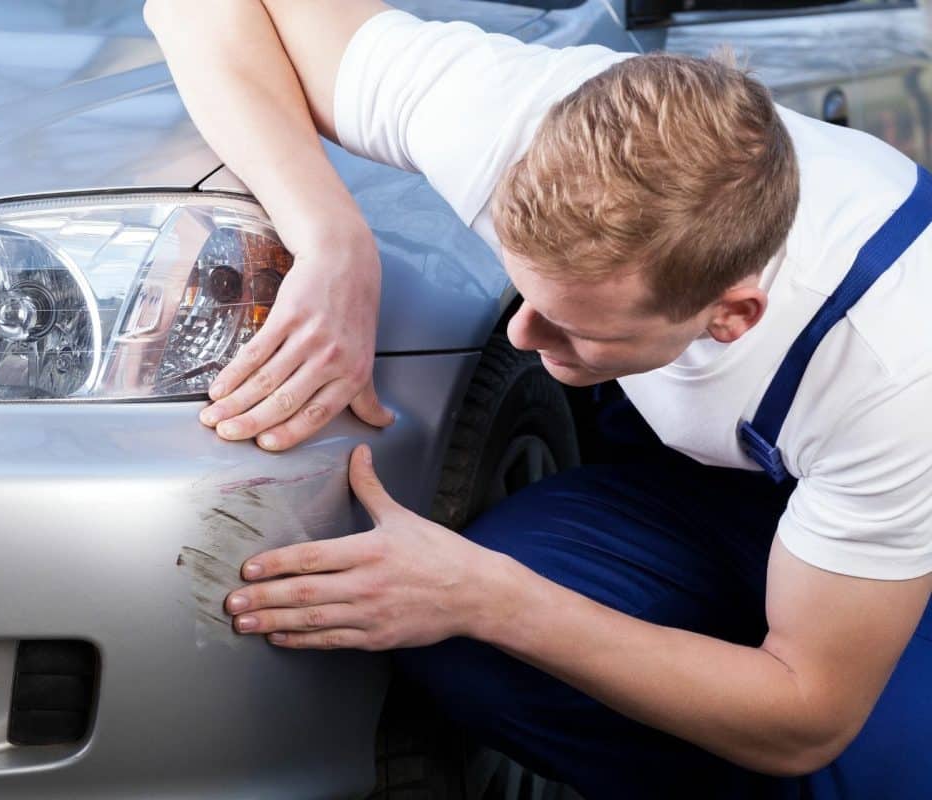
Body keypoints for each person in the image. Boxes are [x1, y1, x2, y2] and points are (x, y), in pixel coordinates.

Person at [144, 1, 932, 797]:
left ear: (731, 316)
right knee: (461, 645)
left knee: (862, 772)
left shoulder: (894, 368)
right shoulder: (505, 113)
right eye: (527, 291)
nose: (523, 335)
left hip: (894, 534)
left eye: (577, 325)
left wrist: (493, 597)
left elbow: (808, 715)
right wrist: (331, 239)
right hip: (713, 486)